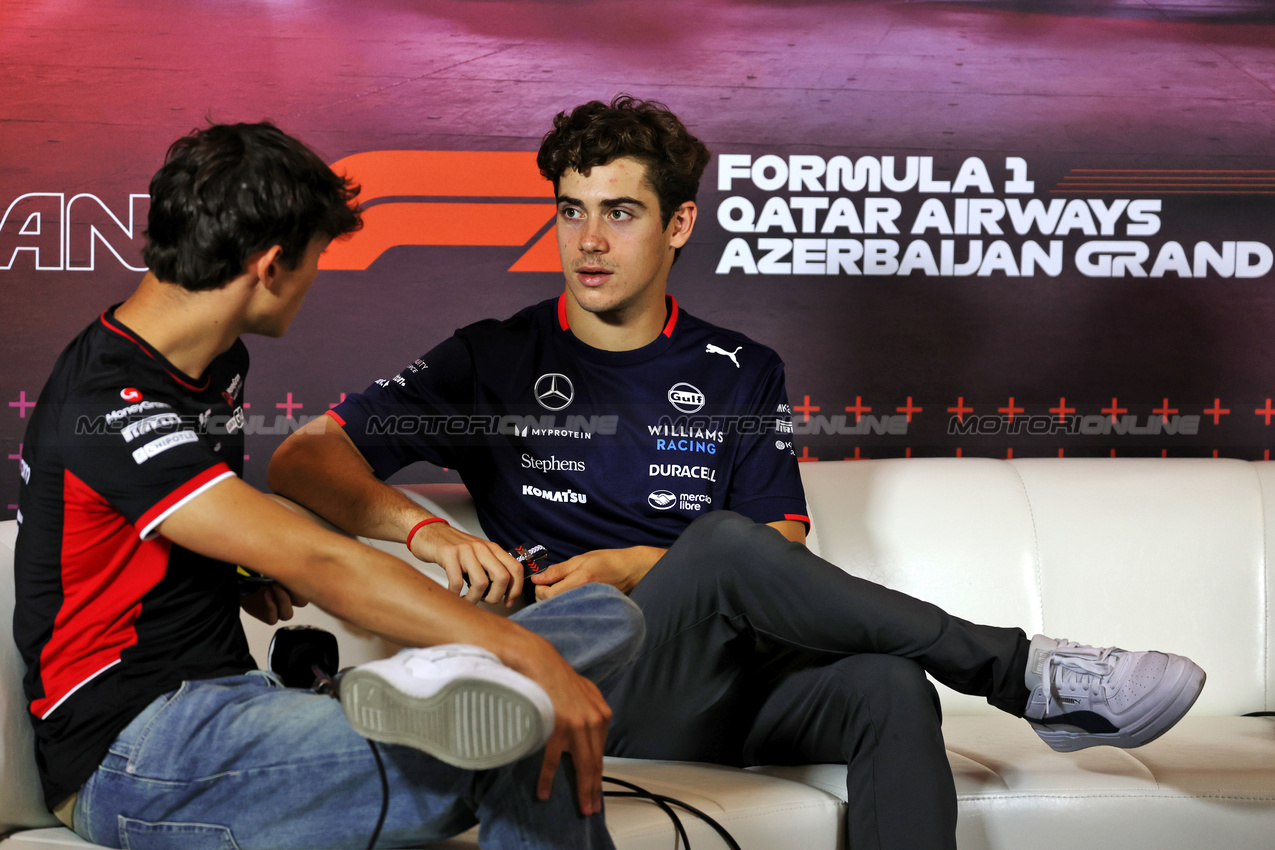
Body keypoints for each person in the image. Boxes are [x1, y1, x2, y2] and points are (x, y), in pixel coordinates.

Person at [268, 97, 1207, 850]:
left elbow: (779, 544)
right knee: (715, 545)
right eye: (570, 210)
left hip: (714, 686)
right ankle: (1022, 671)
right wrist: (427, 530)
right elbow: (304, 455)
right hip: (581, 675)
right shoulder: (491, 358)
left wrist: (635, 564)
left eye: (620, 212)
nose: (588, 240)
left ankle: (1026, 680)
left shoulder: (738, 366)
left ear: (678, 223)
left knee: (888, 687)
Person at [13, 121, 643, 850]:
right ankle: (473, 675)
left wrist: (234, 569)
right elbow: (322, 563)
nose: (317, 281)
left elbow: (159, 530)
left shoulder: (216, 361)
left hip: (238, 704)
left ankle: (460, 674)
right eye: (317, 260)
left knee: (605, 615)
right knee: (525, 721)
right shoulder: (105, 401)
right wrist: (523, 653)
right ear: (271, 265)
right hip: (137, 754)